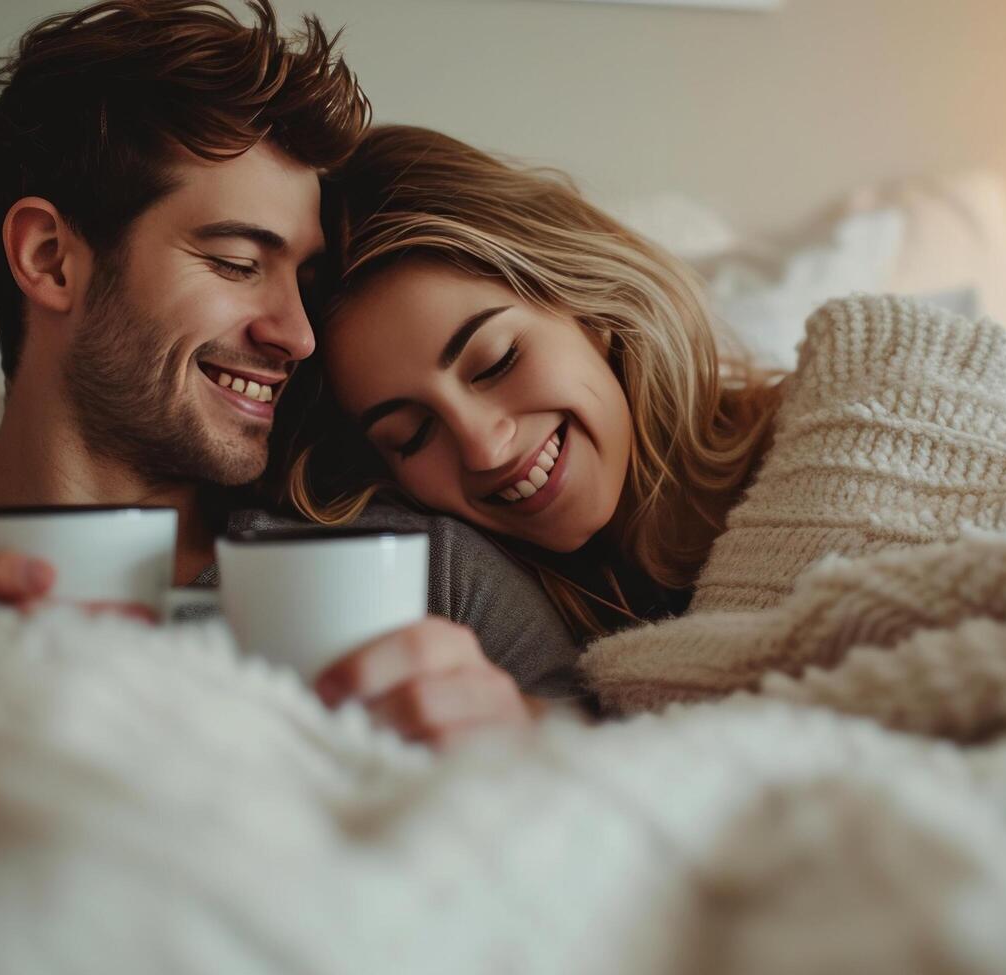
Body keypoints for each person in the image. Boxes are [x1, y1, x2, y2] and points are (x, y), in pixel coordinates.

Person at [0, 3, 576, 745]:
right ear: (51, 258)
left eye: (304, 280)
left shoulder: (429, 578)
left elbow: (626, 853)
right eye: (236, 262)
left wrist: (522, 754)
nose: (295, 333)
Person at [280, 125, 783, 642]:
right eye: (412, 434)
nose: (484, 449)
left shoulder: (834, 413)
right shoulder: (486, 614)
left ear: (587, 303)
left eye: (497, 362)